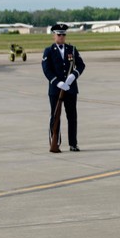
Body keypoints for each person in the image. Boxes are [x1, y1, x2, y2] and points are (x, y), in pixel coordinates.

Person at [41, 23, 86, 152]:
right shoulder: (48, 51)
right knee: (55, 117)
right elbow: (46, 69)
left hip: (71, 89)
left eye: (63, 34)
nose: (61, 37)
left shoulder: (71, 49)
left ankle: (73, 144)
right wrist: (57, 82)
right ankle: (55, 143)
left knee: (72, 117)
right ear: (54, 36)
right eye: (59, 34)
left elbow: (81, 65)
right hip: (56, 90)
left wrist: (73, 76)